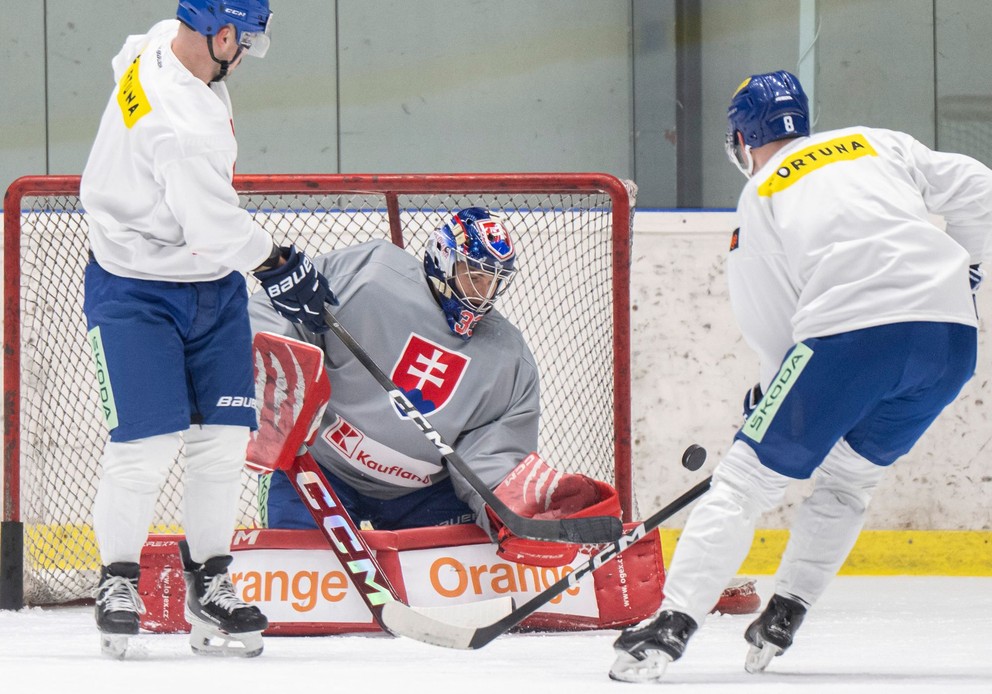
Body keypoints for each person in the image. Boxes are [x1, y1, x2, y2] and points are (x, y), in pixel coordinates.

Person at [609, 70, 989, 682]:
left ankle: (671, 626)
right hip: (949, 343)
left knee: (742, 481)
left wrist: (772, 389)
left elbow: (772, 325)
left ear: (742, 136)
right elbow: (980, 187)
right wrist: (966, 274)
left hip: (852, 343)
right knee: (847, 482)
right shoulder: (876, 140)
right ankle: (784, 612)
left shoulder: (761, 192)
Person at [82, 0, 333, 659]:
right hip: (136, 287)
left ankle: (212, 582)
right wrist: (279, 263)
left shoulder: (155, 42)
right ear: (221, 35)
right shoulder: (180, 122)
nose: (245, 54)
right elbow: (215, 227)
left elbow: (124, 55)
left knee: (224, 443)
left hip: (209, 288)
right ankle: (117, 581)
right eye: (244, 41)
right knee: (144, 447)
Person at [247, 208, 545, 537]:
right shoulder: (371, 275)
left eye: (493, 282)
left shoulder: (508, 356)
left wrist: (508, 508)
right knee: (299, 572)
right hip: (319, 467)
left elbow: (493, 451)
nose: (482, 295)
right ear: (445, 259)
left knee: (462, 581)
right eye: (474, 277)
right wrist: (270, 378)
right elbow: (279, 309)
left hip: (423, 496)